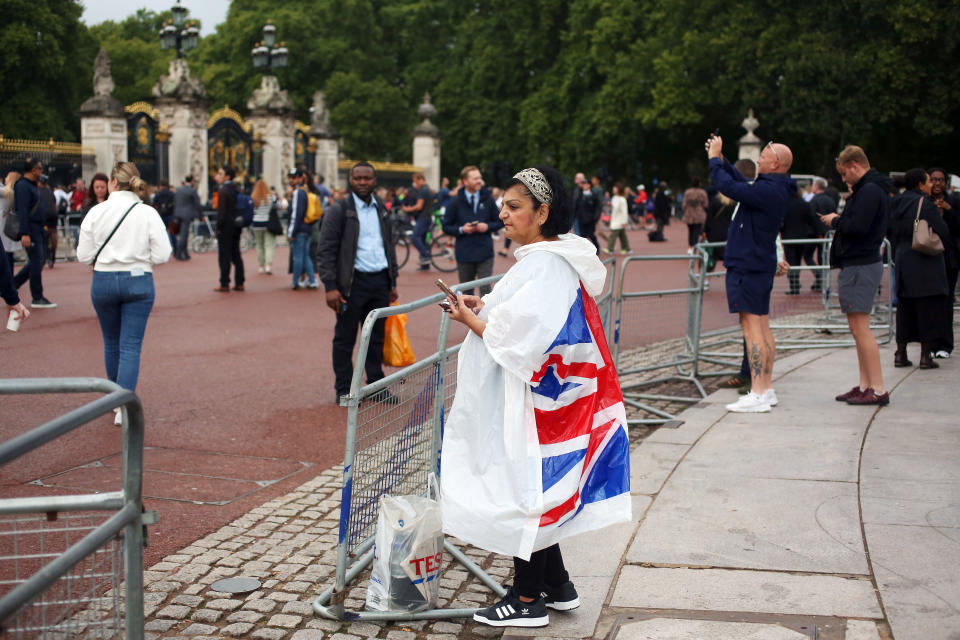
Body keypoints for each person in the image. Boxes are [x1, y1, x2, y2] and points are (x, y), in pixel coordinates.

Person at [439, 167, 631, 628]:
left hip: (538, 402)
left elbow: (522, 339)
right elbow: (527, 318)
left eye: (514, 206)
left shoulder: (545, 263)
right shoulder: (552, 257)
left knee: (525, 489)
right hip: (556, 397)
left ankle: (526, 599)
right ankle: (558, 585)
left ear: (542, 212)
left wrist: (472, 319)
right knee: (541, 492)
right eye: (503, 205)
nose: (502, 213)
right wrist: (487, 308)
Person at [76, 162, 171, 425]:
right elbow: (163, 254)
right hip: (139, 279)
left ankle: (114, 400)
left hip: (104, 279)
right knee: (130, 346)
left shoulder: (96, 211)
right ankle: (122, 408)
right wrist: (142, 259)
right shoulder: (147, 213)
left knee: (111, 342)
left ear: (113, 183)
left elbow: (83, 255)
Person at [708, 136, 795, 412]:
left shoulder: (769, 191)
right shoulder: (773, 188)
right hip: (757, 264)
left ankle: (758, 392)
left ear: (776, 163)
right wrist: (723, 160)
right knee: (762, 328)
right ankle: (765, 388)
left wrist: (713, 160)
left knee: (752, 330)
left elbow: (728, 186)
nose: (758, 159)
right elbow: (740, 183)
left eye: (764, 156)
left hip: (749, 265)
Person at [318, 162, 399, 401]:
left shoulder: (381, 210)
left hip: (379, 282)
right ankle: (344, 389)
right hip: (351, 284)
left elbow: (389, 247)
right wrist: (330, 287)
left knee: (375, 338)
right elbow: (326, 250)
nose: (363, 182)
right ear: (350, 181)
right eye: (358, 178)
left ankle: (375, 385)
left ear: (374, 181)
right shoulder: (339, 210)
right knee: (345, 338)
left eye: (367, 178)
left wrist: (392, 282)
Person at [820, 145, 891, 406]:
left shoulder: (869, 191)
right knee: (857, 327)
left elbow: (858, 227)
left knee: (861, 328)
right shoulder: (871, 189)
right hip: (859, 262)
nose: (844, 179)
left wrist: (836, 221)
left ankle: (878, 388)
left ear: (854, 166)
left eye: (844, 173)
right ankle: (866, 384)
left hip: (861, 263)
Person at [887, 169, 952, 370]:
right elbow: (943, 231)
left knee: (905, 308)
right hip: (924, 261)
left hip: (903, 258)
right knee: (927, 308)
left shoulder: (896, 201)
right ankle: (925, 355)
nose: (931, 184)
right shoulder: (926, 203)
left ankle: (901, 353)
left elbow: (890, 229)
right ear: (920, 184)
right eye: (928, 181)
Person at [442, 165, 502, 296]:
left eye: (480, 178)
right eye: (475, 178)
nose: (479, 181)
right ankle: (468, 317)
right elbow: (446, 226)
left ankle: (483, 317)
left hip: (485, 252)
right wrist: (462, 229)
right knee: (467, 292)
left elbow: (500, 221)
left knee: (485, 292)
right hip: (464, 254)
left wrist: (487, 227)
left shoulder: (488, 199)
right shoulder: (455, 201)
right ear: (465, 181)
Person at [13, 158, 56, 309]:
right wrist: (24, 233)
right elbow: (22, 211)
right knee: (37, 261)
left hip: (37, 228)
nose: (41, 172)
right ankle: (37, 297)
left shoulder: (30, 185)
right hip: (30, 229)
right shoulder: (23, 186)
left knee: (39, 260)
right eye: (39, 169)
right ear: (33, 170)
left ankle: (13, 284)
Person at [928, 167, 960, 358]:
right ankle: (929, 343)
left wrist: (949, 212)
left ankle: (945, 344)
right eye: (934, 179)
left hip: (949, 259)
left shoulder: (954, 201)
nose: (937, 183)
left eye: (941, 180)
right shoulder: (925, 202)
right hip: (929, 258)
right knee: (930, 303)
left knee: (946, 302)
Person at [781, 184, 822, 295]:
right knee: (798, 260)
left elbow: (781, 221)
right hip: (802, 236)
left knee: (790, 260)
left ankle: (794, 285)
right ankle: (796, 284)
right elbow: (811, 220)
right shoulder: (804, 204)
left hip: (788, 236)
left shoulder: (785, 204)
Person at [213, 166, 245, 292]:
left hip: (226, 227)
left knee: (224, 256)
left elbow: (222, 213)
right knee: (236, 254)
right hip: (236, 226)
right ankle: (240, 281)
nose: (218, 176)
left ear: (227, 176)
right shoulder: (237, 189)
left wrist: (218, 228)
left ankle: (224, 282)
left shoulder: (223, 191)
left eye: (220, 173)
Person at [287, 169, 318, 289]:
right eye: (290, 177)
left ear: (300, 178)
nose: (291, 180)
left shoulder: (297, 193)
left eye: (294, 177)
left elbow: (296, 214)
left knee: (298, 256)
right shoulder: (306, 191)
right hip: (308, 227)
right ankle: (312, 279)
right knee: (306, 256)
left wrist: (292, 232)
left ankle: (295, 281)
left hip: (299, 229)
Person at [405, 172, 434, 270]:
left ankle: (426, 256)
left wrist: (407, 209)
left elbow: (419, 206)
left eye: (415, 181)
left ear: (420, 179)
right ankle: (425, 265)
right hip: (428, 217)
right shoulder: (428, 189)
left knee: (414, 237)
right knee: (423, 240)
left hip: (423, 217)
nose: (415, 184)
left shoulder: (423, 191)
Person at [250, 178, 277, 275]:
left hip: (256, 223)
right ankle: (268, 265)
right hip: (267, 222)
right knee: (269, 245)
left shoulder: (253, 197)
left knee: (259, 245)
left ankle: (261, 266)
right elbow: (276, 206)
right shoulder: (270, 197)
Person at [173, 175, 201, 260]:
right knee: (184, 234)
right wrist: (201, 215)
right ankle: (179, 253)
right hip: (187, 214)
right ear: (192, 181)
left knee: (183, 234)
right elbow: (197, 204)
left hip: (178, 213)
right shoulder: (192, 190)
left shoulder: (179, 190)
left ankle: (185, 253)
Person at [572, 173, 601, 250]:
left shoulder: (593, 196)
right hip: (581, 219)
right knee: (582, 236)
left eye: (585, 184)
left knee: (591, 235)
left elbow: (598, 207)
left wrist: (595, 217)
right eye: (583, 184)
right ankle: (585, 250)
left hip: (590, 220)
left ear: (589, 185)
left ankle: (597, 248)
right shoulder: (580, 195)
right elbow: (576, 206)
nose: (584, 185)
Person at [681, 177, 709, 252]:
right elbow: (706, 204)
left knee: (690, 231)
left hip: (689, 214)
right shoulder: (702, 192)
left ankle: (690, 246)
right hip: (699, 214)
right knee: (696, 231)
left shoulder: (687, 192)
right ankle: (694, 246)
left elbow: (684, 204)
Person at [605, 182, 631, 254]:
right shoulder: (614, 198)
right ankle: (627, 248)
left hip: (619, 221)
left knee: (613, 235)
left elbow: (624, 211)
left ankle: (610, 248)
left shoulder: (622, 199)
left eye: (615, 188)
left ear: (619, 189)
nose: (614, 189)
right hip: (615, 219)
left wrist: (624, 221)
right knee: (622, 235)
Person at [153, 179, 176, 250]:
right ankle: (175, 250)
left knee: (162, 233)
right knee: (172, 233)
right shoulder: (172, 194)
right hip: (171, 215)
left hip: (161, 215)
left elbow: (154, 204)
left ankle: (164, 249)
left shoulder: (158, 194)